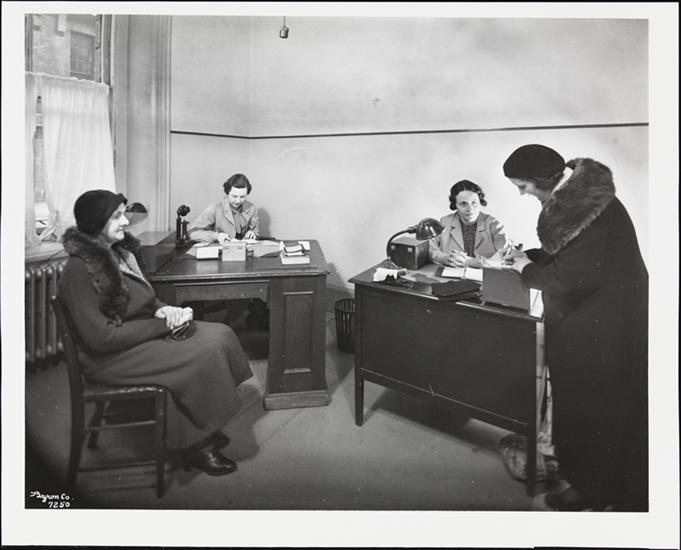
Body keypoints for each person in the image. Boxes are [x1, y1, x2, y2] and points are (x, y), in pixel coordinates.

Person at [59, 190, 253, 476]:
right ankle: (197, 444)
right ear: (95, 222)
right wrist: (164, 325)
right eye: (117, 216)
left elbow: (144, 298)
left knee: (220, 334)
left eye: (124, 214)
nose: (126, 221)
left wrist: (164, 309)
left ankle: (202, 424)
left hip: (134, 337)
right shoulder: (79, 269)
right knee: (204, 354)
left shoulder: (118, 252)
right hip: (110, 357)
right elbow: (101, 338)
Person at [502, 144, 648, 511]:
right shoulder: (584, 203)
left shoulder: (585, 213)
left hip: (603, 329)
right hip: (606, 320)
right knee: (599, 409)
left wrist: (524, 269)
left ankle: (593, 491)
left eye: (523, 186)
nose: (522, 194)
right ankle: (596, 486)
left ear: (542, 180)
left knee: (592, 409)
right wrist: (529, 256)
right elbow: (569, 254)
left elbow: (568, 280)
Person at [429, 179, 508, 268]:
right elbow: (429, 250)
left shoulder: (494, 225)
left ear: (480, 202)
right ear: (455, 205)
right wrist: (445, 258)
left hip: (486, 275)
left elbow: (505, 259)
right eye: (463, 204)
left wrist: (470, 262)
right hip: (453, 274)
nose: (470, 209)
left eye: (474, 203)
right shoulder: (444, 222)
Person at [188, 173, 259, 244]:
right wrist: (216, 236)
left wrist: (253, 233)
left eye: (242, 197)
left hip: (244, 249)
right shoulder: (215, 208)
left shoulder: (252, 208)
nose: (238, 201)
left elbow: (256, 232)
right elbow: (192, 233)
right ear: (227, 192)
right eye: (234, 196)